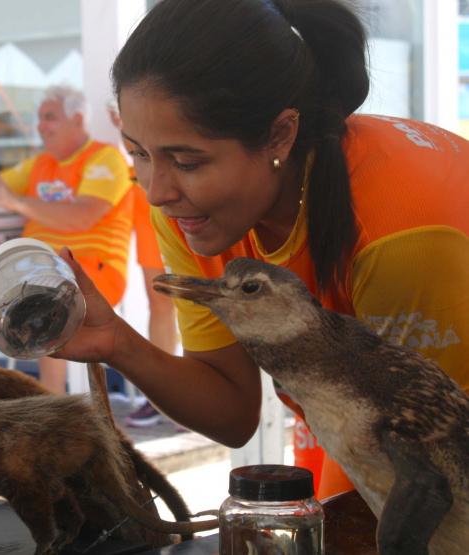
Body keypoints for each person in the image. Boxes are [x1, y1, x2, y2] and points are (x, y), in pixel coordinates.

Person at [52, 0, 469, 500]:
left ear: (280, 134)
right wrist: (118, 344)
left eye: (185, 160)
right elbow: (232, 412)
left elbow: (432, 469)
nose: (155, 190)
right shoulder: (195, 209)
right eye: (138, 152)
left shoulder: (400, 240)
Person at [0, 85, 134, 394]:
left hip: (91, 275)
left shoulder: (104, 158)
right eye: (39, 118)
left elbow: (82, 216)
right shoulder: (40, 164)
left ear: (77, 119)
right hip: (28, 272)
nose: (40, 126)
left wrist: (15, 201)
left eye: (50, 117)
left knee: (42, 296)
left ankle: (52, 406)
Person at [107, 100, 182, 429]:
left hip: (176, 200)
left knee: (198, 300)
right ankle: (163, 397)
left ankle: (193, 395)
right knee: (160, 301)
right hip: (145, 206)